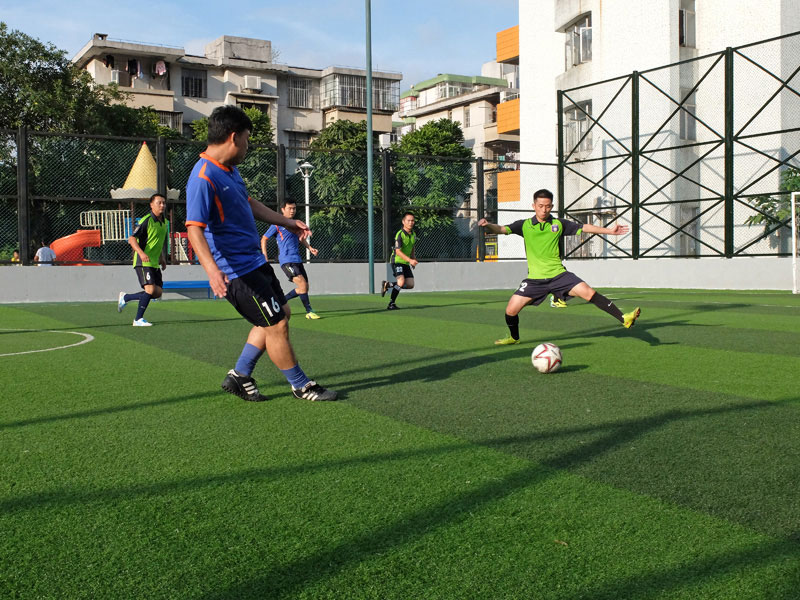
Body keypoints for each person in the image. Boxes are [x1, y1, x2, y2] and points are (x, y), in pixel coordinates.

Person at [186, 105, 336, 402]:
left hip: (255, 262)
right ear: (233, 137)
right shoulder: (203, 177)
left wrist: (288, 222)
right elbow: (194, 228)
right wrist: (212, 271)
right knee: (275, 324)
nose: (247, 146)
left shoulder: (230, 171)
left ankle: (240, 375)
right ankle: (301, 385)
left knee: (282, 314)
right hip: (238, 273)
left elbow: (249, 203)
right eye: (246, 139)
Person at [478, 188, 640, 345]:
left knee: (588, 292)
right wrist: (488, 225)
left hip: (559, 275)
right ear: (534, 206)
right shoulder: (524, 225)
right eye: (540, 206)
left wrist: (610, 231)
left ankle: (624, 318)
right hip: (535, 280)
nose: (544, 210)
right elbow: (501, 229)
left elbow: (584, 227)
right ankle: (514, 338)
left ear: (552, 206)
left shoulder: (558, 224)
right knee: (511, 310)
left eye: (548, 206)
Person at [261, 199, 321, 320]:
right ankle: (309, 311)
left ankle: (280, 301)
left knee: (304, 287)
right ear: (283, 209)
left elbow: (301, 238)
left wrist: (310, 248)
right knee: (302, 284)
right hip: (286, 260)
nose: (292, 211)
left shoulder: (295, 224)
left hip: (297, 259)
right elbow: (264, 239)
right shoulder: (277, 224)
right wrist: (265, 256)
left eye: (294, 208)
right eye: (290, 208)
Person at [117, 193, 169, 327]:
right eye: (159, 203)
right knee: (150, 289)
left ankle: (126, 297)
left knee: (157, 293)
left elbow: (157, 242)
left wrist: (162, 257)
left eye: (164, 203)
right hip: (143, 262)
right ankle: (138, 319)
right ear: (151, 205)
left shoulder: (165, 222)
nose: (162, 205)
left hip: (154, 263)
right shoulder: (146, 220)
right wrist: (141, 253)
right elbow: (132, 239)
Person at [381, 212, 418, 310]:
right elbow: (397, 251)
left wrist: (413, 258)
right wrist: (410, 260)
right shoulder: (400, 234)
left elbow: (412, 247)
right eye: (408, 220)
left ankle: (389, 284)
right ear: (403, 222)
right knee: (401, 282)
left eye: (412, 221)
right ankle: (391, 303)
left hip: (405, 262)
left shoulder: (413, 234)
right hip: (396, 261)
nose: (411, 222)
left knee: (410, 284)